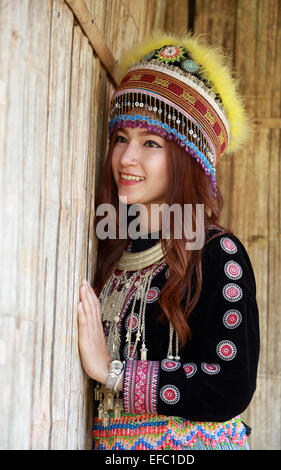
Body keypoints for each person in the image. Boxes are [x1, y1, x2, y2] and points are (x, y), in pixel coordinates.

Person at [77, 32, 260, 450]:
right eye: (121, 138)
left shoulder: (216, 255)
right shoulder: (113, 249)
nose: (126, 158)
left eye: (150, 143)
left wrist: (114, 372)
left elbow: (232, 383)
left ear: (188, 159)